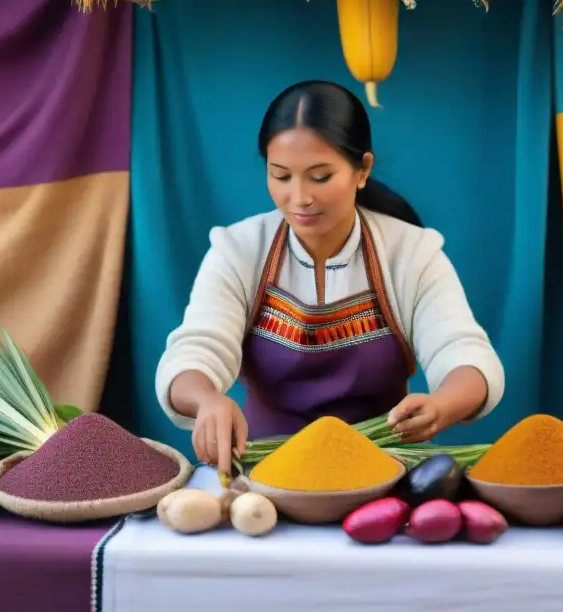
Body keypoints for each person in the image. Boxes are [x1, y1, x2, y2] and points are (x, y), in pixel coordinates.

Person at [155, 80, 505, 475]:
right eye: (281, 176)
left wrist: (442, 406)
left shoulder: (412, 253)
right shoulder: (237, 251)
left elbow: (464, 354)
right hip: (265, 479)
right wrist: (206, 400)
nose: (299, 197)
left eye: (320, 177)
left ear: (363, 169)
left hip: (381, 474)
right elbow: (194, 351)